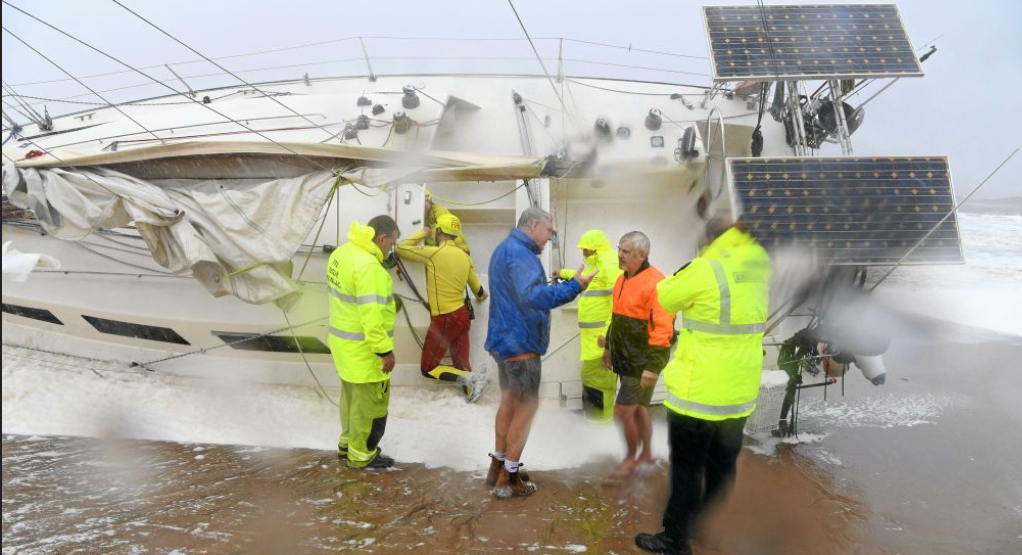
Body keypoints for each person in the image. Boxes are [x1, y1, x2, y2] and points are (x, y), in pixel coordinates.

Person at [635, 219, 771, 555]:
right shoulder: (758, 267)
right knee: (722, 467)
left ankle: (675, 540)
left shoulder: (704, 268)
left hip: (699, 395)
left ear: (712, 240)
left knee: (687, 471)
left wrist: (691, 265)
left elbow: (665, 296)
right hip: (738, 394)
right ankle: (705, 528)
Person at [484, 207, 598, 498]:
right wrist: (574, 287)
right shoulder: (522, 255)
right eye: (549, 230)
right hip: (520, 346)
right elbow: (532, 297)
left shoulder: (505, 249)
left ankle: (497, 466)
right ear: (533, 225)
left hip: (504, 343)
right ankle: (509, 478)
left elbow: (519, 293)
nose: (550, 236)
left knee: (509, 403)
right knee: (526, 407)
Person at [327, 215, 401, 470]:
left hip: (343, 345)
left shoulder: (342, 253)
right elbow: (372, 319)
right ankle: (361, 454)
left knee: (350, 399)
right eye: (391, 244)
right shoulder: (370, 268)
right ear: (381, 239)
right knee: (369, 405)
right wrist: (385, 352)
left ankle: (347, 444)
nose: (390, 250)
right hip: (365, 351)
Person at [603, 231, 675, 484]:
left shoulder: (657, 283)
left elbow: (664, 329)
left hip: (642, 363)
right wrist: (609, 348)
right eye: (619, 249)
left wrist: (653, 367)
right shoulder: (621, 280)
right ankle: (645, 454)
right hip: (625, 358)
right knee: (640, 410)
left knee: (623, 411)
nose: (619, 255)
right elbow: (616, 318)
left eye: (625, 251)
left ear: (641, 254)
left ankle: (630, 459)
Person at [395, 213, 489, 402]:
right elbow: (479, 291)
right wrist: (482, 295)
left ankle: (471, 379)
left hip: (444, 319)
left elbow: (401, 248)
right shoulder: (465, 257)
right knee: (461, 363)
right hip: (462, 317)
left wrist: (423, 232)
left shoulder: (434, 253)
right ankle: (473, 387)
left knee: (428, 368)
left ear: (439, 231)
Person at [553, 230, 622, 423]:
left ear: (597, 249)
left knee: (597, 383)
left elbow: (619, 306)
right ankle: (598, 428)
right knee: (594, 383)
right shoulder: (598, 262)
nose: (583, 254)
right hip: (594, 341)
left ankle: (599, 430)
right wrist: (563, 274)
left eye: (586, 250)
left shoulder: (610, 265)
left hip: (601, 342)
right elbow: (584, 275)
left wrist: (608, 338)